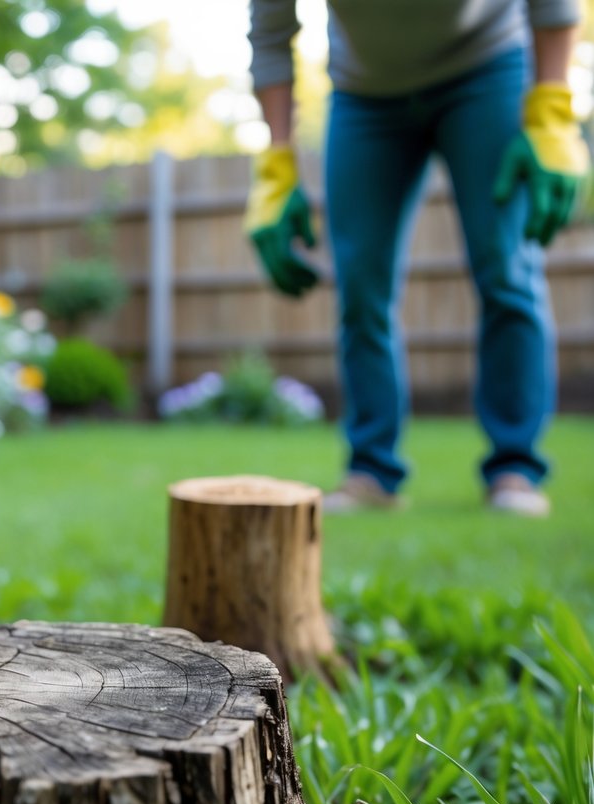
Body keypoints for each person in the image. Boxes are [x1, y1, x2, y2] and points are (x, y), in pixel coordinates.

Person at [245, 0, 589, 516]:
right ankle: (371, 470)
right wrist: (278, 161)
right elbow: (271, 36)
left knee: (507, 270)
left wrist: (552, 108)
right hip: (364, 93)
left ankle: (514, 468)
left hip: (487, 67)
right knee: (360, 287)